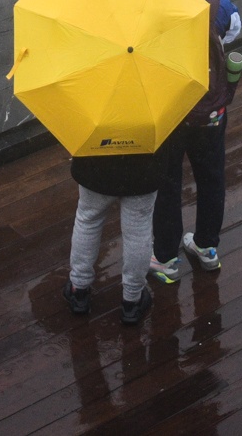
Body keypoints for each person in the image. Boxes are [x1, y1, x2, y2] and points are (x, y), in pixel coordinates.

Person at [147, 0, 241, 285]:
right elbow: (232, 31)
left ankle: (165, 258)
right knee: (212, 177)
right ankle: (206, 247)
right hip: (209, 112)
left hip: (169, 112)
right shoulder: (217, 2)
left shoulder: (149, 4)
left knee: (168, 183)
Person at [65, 117, 174, 326]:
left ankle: (79, 290)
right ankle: (132, 301)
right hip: (144, 165)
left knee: (88, 220)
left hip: (96, 160)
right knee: (138, 230)